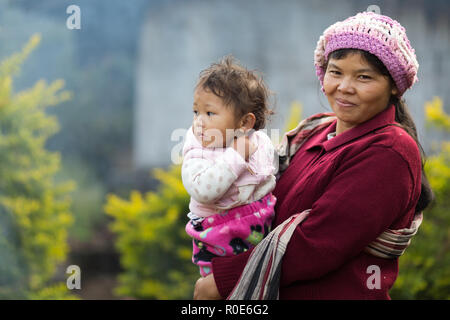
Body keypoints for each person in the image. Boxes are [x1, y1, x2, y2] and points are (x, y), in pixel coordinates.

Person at [194, 11, 434, 300]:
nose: (344, 87)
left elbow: (318, 243)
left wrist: (223, 281)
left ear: (394, 85)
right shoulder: (314, 131)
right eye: (336, 72)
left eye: (364, 77)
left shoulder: (390, 150)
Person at [181, 56, 278, 278]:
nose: (199, 121)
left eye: (209, 113)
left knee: (255, 284)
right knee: (223, 287)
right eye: (196, 112)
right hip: (216, 237)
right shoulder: (197, 151)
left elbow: (269, 178)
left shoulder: (258, 142)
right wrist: (235, 157)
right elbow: (203, 191)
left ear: (245, 123)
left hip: (256, 233)